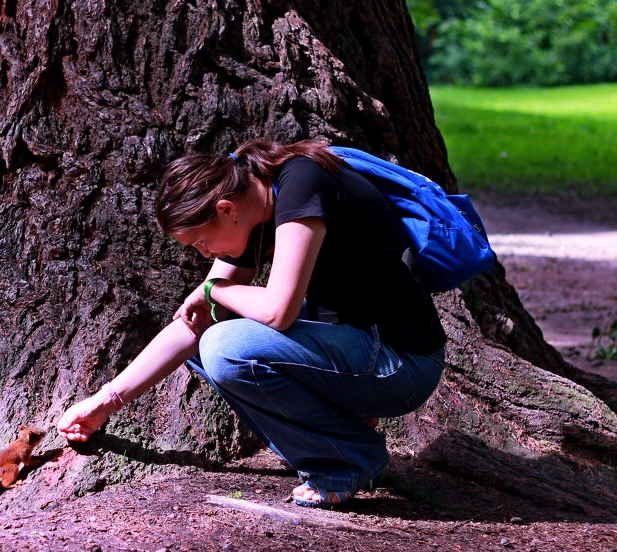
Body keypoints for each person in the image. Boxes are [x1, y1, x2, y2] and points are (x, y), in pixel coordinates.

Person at [56, 138, 447, 509]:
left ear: (227, 209)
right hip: (356, 353)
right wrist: (104, 403)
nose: (204, 253)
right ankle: (342, 441)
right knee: (209, 344)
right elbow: (193, 325)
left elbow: (278, 311)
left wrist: (216, 291)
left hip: (401, 364)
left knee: (226, 347)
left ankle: (346, 460)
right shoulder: (255, 210)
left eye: (201, 242)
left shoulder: (301, 184)